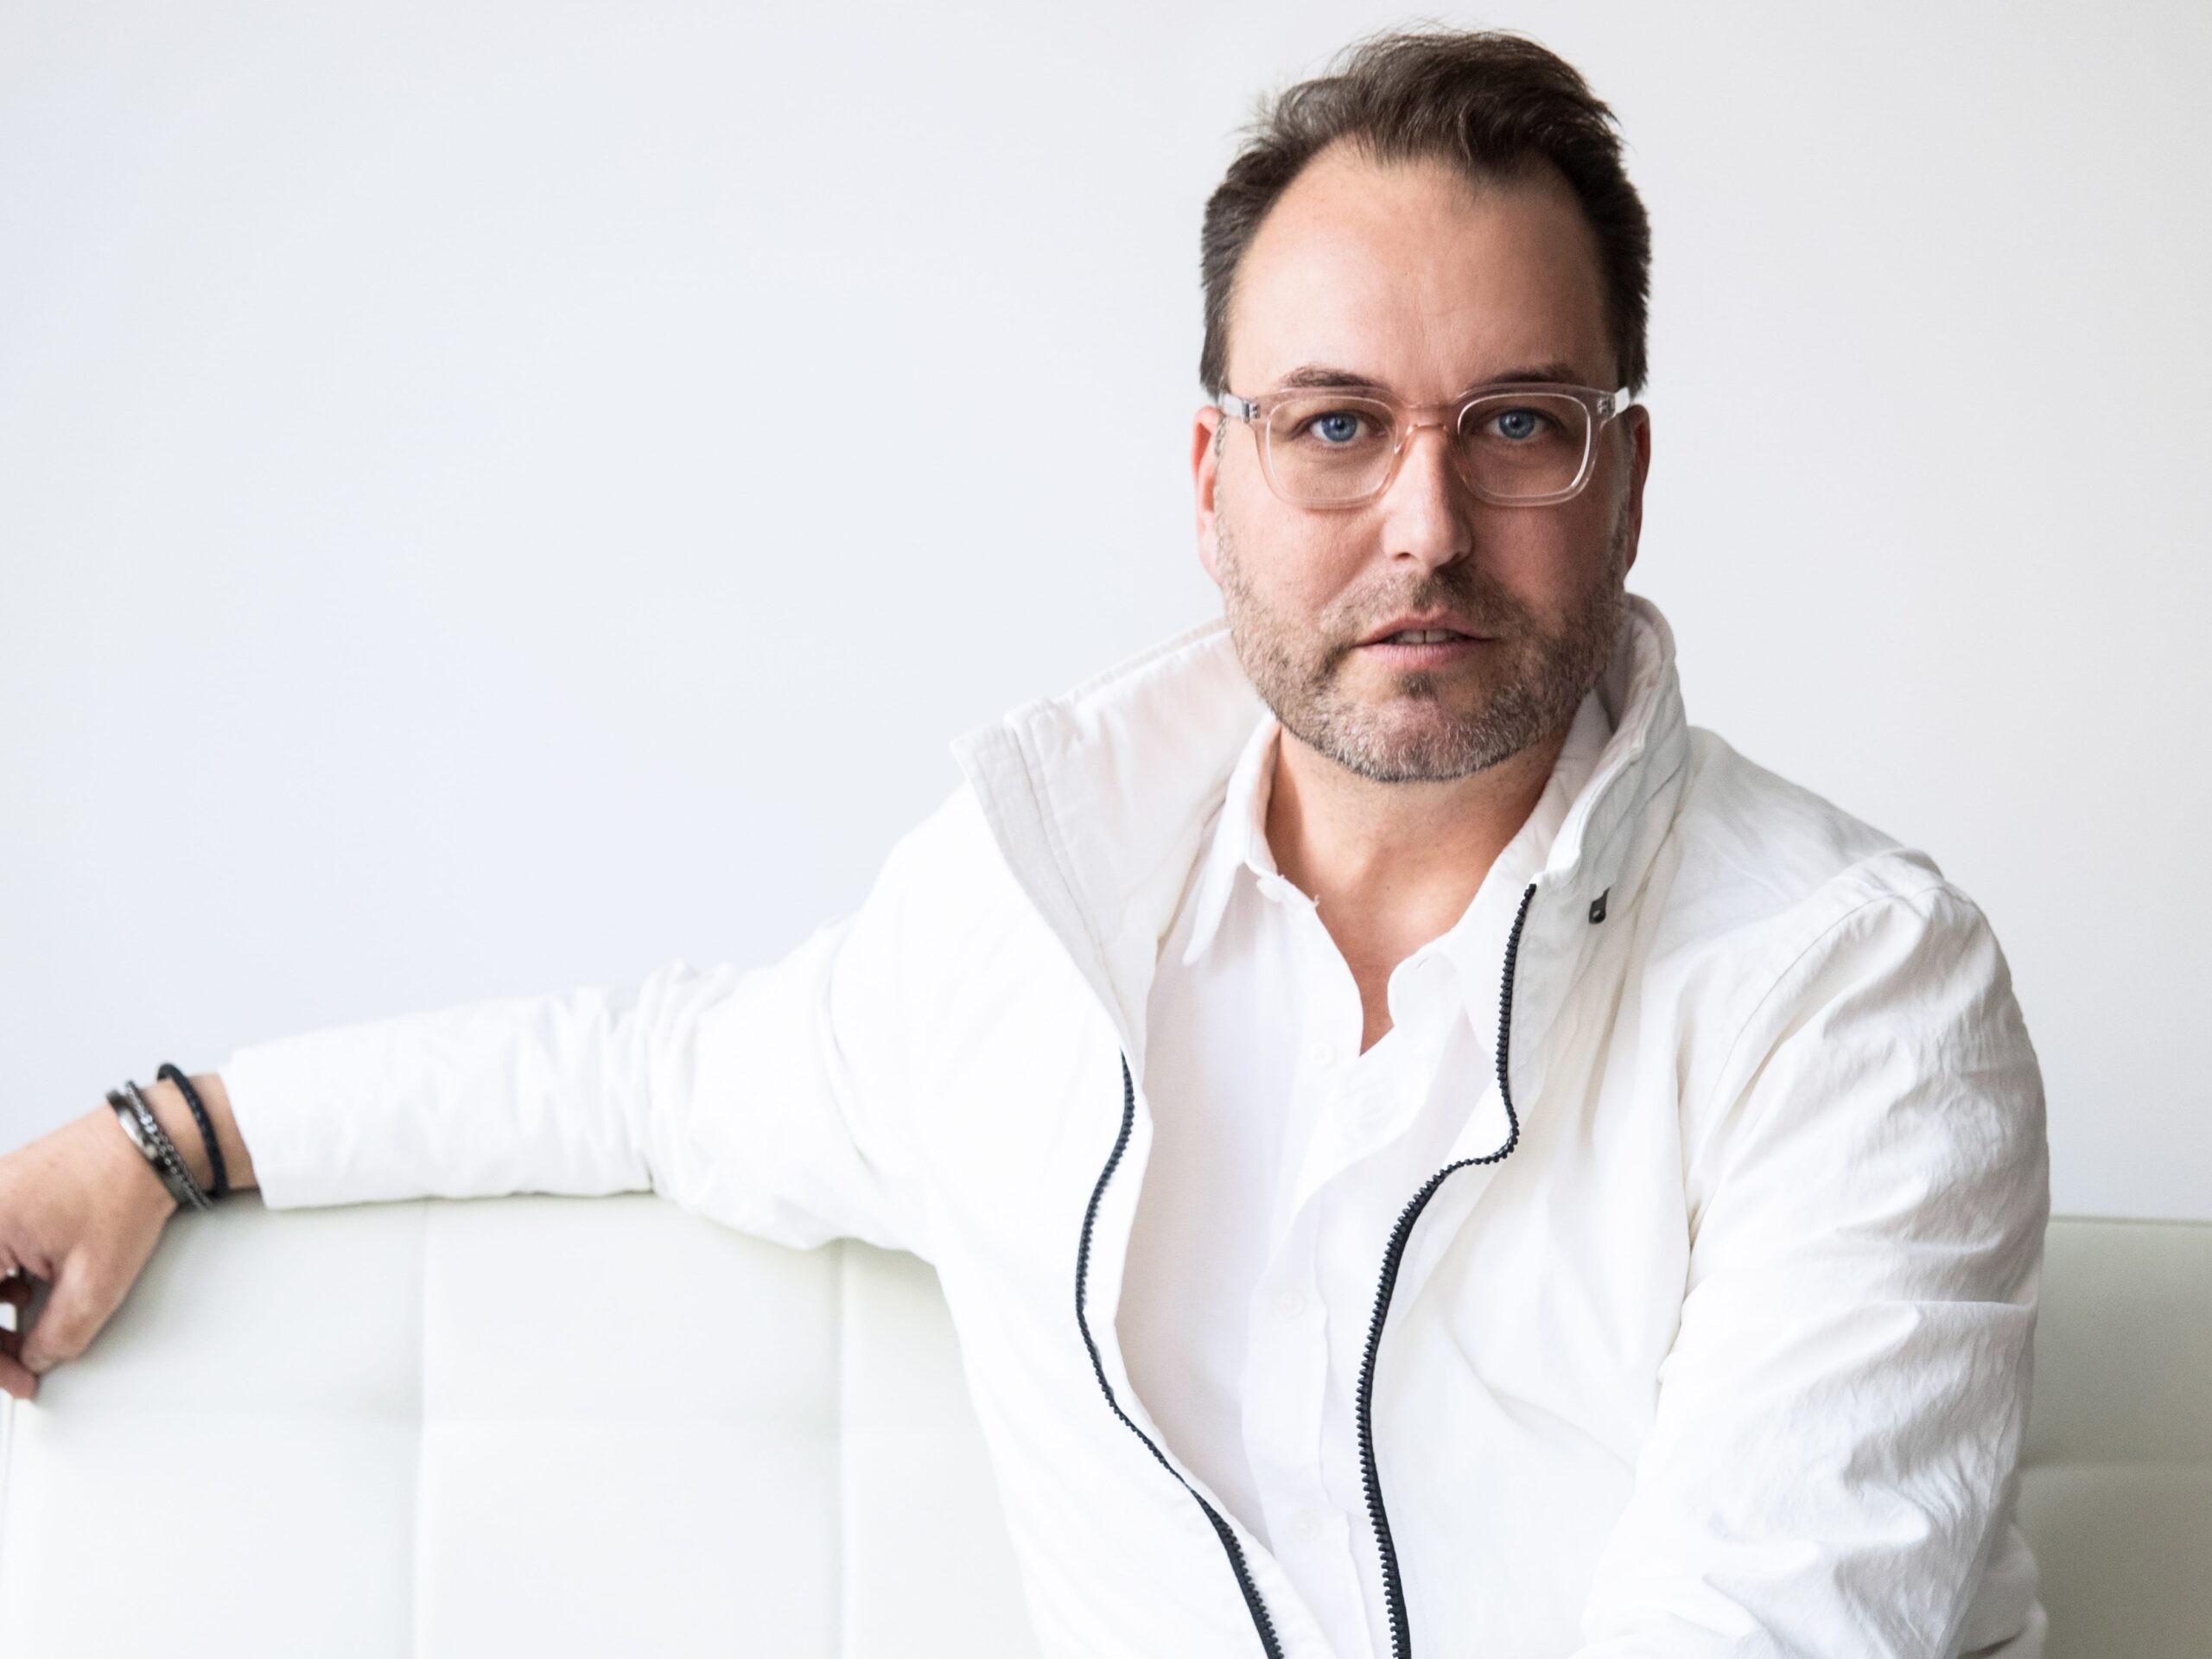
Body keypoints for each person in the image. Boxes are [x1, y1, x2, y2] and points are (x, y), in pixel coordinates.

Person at [0, 25, 2050, 1659]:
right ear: (1210, 478)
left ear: (1623, 477)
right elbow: (652, 1071)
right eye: (1334, 425)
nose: (1422, 525)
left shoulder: (1847, 989)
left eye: (1513, 423)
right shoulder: (1028, 927)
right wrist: (161, 1137)